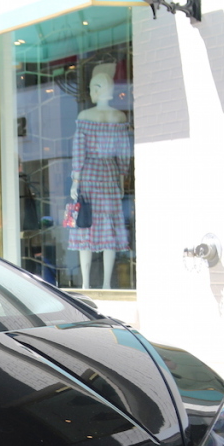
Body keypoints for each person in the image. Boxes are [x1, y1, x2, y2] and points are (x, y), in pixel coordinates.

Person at [67, 63, 131, 289]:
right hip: (110, 174)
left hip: (89, 174)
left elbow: (79, 151)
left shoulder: (85, 115)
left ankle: (85, 284)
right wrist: (122, 177)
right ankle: (105, 284)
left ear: (96, 89)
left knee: (86, 225)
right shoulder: (120, 117)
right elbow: (124, 152)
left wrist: (75, 180)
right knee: (109, 227)